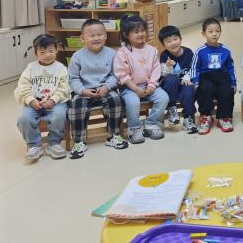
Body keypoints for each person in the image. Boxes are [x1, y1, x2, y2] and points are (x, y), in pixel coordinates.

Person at [67, 19, 128, 159]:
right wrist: (82, 91)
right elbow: (73, 79)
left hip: (105, 88)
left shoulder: (112, 53)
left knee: (115, 99)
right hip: (85, 90)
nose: (96, 38)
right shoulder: (77, 56)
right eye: (91, 35)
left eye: (100, 34)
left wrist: (107, 86)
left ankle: (113, 136)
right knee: (76, 105)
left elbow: (115, 74)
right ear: (82, 38)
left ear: (105, 36)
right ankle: (79, 141)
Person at [15, 34, 70, 162]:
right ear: (36, 53)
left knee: (59, 116)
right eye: (42, 52)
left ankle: (54, 143)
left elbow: (64, 88)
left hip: (55, 103)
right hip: (33, 103)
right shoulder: (30, 68)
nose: (47, 55)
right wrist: (31, 100)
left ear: (56, 50)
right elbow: (22, 87)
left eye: (51, 51)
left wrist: (53, 100)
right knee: (23, 119)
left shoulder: (61, 68)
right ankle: (34, 146)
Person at [114, 15, 169, 144]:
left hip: (148, 85)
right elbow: (122, 74)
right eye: (136, 32)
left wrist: (151, 86)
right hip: (129, 87)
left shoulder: (152, 50)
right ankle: (134, 129)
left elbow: (156, 69)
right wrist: (135, 89)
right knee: (133, 102)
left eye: (142, 30)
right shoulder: (122, 52)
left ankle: (152, 123)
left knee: (163, 98)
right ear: (126, 35)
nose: (141, 34)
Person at [190, 17, 236, 134]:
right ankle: (206, 117)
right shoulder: (200, 51)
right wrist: (196, 81)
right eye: (210, 31)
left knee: (227, 90)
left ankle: (224, 118)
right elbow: (194, 68)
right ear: (203, 33)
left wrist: (233, 83)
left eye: (217, 31)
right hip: (206, 76)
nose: (214, 34)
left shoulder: (226, 50)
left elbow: (231, 68)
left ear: (220, 32)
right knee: (205, 89)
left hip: (222, 76)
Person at [158, 25, 197, 134]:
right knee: (172, 79)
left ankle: (188, 118)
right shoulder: (164, 55)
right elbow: (163, 75)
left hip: (184, 83)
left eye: (175, 39)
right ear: (163, 44)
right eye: (168, 41)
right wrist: (168, 67)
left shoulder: (188, 52)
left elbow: (194, 68)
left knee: (189, 89)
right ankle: (172, 108)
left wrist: (187, 76)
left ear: (180, 39)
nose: (173, 43)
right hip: (171, 86)